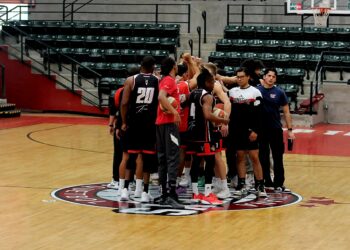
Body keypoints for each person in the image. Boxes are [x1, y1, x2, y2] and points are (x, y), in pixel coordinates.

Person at [119, 56, 159, 202]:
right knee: (147, 158)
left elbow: (124, 103)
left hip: (134, 123)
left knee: (131, 156)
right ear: (153, 67)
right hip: (149, 124)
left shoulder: (131, 80)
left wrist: (123, 121)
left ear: (141, 65)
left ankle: (124, 190)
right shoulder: (157, 81)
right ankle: (144, 192)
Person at [187, 67, 229, 204]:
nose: (213, 84)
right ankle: (207, 193)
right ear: (206, 82)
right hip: (204, 134)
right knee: (210, 161)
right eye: (211, 82)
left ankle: (195, 193)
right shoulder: (208, 96)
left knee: (195, 161)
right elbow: (207, 115)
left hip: (192, 132)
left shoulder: (192, 93)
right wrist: (223, 120)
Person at [228, 67, 267, 197]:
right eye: (237, 77)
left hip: (251, 130)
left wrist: (256, 130)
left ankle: (260, 185)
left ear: (248, 77)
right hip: (236, 130)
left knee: (254, 157)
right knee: (240, 157)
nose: (239, 79)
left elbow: (260, 114)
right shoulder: (232, 92)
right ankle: (242, 183)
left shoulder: (255, 92)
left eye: (242, 77)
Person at [257, 68, 296, 192]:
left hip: (275, 129)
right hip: (260, 129)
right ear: (264, 77)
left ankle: (278, 183)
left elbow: (286, 111)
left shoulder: (279, 92)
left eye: (273, 76)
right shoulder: (256, 91)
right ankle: (265, 181)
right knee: (262, 157)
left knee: (277, 157)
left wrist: (290, 129)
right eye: (269, 76)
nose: (271, 78)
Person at [155, 57, 183, 209]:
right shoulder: (169, 80)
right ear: (173, 67)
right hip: (169, 124)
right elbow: (161, 97)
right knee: (172, 157)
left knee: (163, 159)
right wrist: (174, 112)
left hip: (160, 124)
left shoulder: (163, 79)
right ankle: (171, 194)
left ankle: (164, 193)